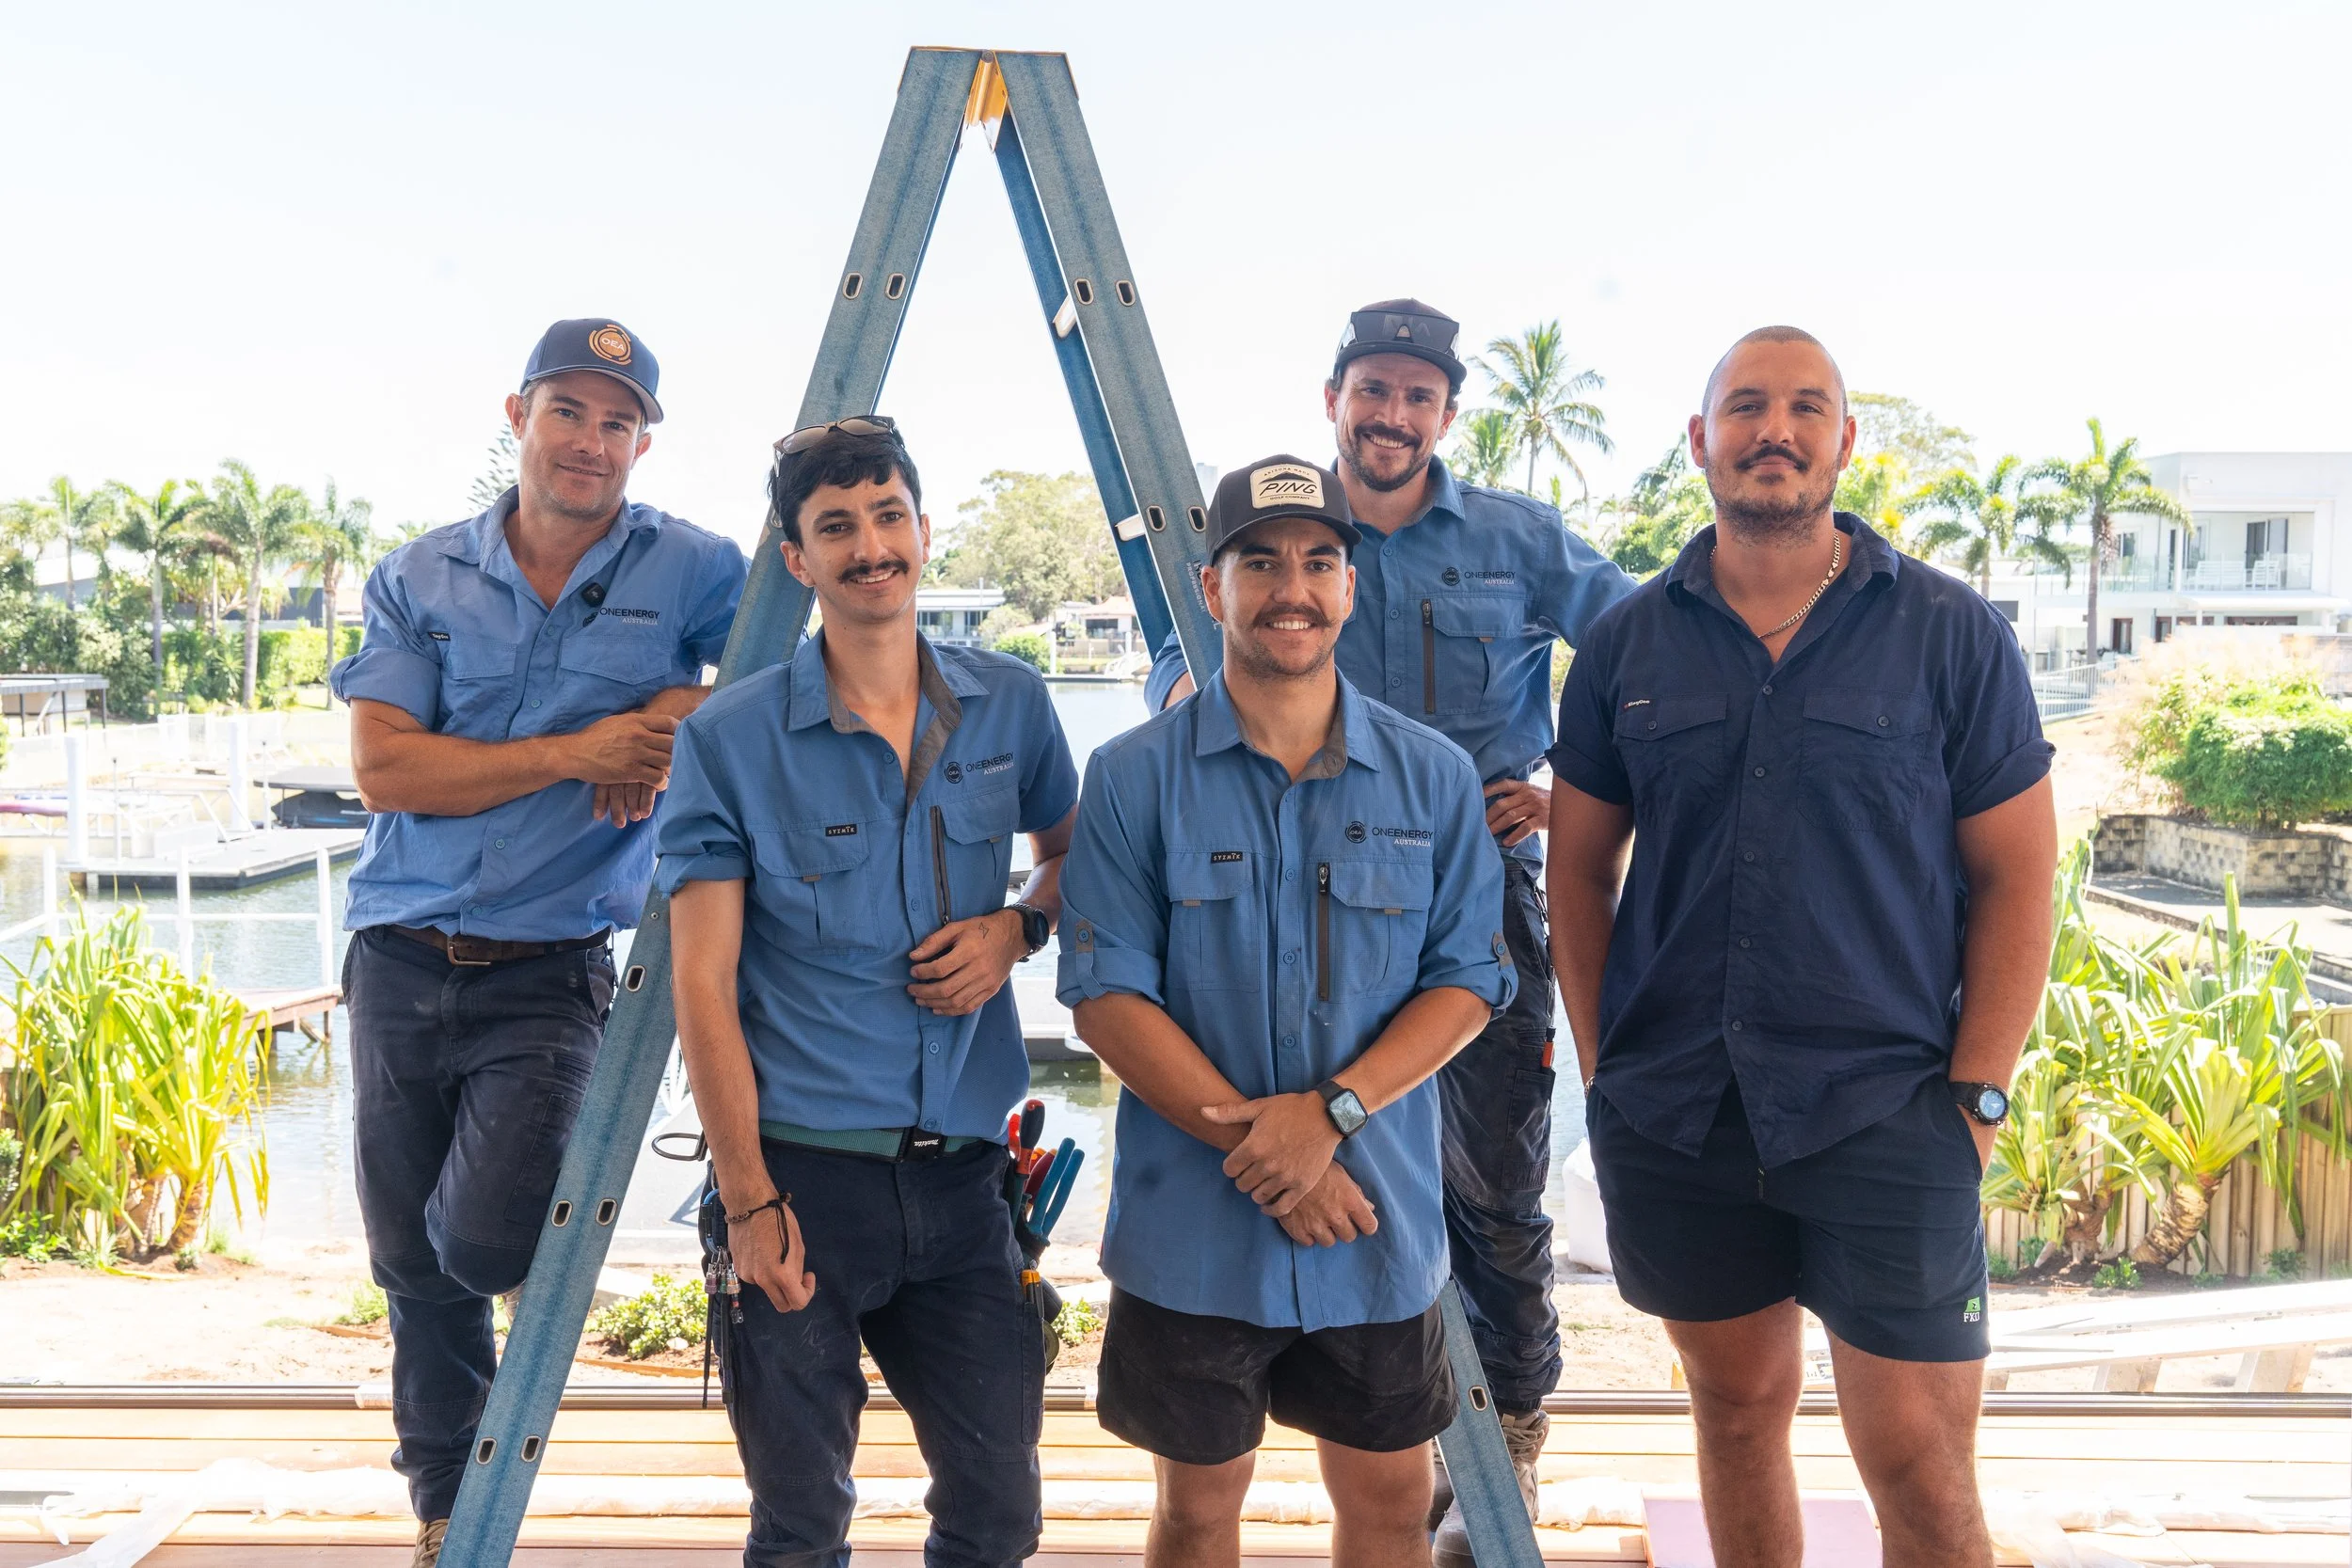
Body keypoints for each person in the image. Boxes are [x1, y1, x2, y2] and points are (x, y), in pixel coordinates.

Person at [1545, 326, 2058, 1568]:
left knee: (1924, 1465)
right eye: (1747, 406)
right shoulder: (1625, 646)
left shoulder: (1950, 635)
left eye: (1806, 407)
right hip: (1679, 1115)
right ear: (1701, 439)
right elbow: (1576, 864)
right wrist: (1609, 1067)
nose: (1774, 429)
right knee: (1733, 1413)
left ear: (1844, 440)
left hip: (1892, 1108)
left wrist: (1978, 1091)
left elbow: (2020, 874)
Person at [1148, 301, 1635, 1544]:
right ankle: (1373, 1464)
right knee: (1322, 1163)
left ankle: (1505, 1454)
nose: (1394, 413)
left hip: (1482, 896)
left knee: (1497, 1193)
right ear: (1335, 399)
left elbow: (1644, 654)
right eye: (1375, 388)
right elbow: (1181, 671)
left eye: (1419, 396)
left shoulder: (1520, 538)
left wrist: (1574, 783)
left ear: (1446, 417)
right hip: (1298, 903)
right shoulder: (1284, 533)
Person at [330, 318, 747, 1567]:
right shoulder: (421, 573)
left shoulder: (696, 567)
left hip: (556, 966)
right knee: (409, 1260)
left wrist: (670, 713)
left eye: (619, 421)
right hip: (400, 949)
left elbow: (787, 666)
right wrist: (580, 750)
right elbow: (386, 766)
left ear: (644, 440)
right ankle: (447, 1510)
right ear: (519, 415)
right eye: (571, 410)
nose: (593, 440)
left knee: (487, 1242)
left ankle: (485, 1449)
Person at [1061, 455, 1515, 1568]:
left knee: (1388, 1501)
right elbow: (1104, 995)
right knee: (1197, 1512)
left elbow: (1469, 980)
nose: (1290, 586)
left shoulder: (1436, 778)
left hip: (1378, 1223)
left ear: (1349, 586)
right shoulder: (1128, 777)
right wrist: (1277, 1150)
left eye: (1318, 560)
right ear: (1210, 587)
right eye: (1258, 560)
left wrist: (1332, 1115)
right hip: (1193, 1234)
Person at [658, 417, 1079, 1568]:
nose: (869, 545)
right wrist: (747, 1198)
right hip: (802, 1182)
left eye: (888, 515)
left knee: (998, 1516)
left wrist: (1018, 925)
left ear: (924, 531)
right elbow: (702, 984)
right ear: (798, 559)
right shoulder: (731, 740)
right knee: (800, 1527)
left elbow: (1074, 851)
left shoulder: (1012, 703)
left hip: (964, 1185)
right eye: (835, 526)